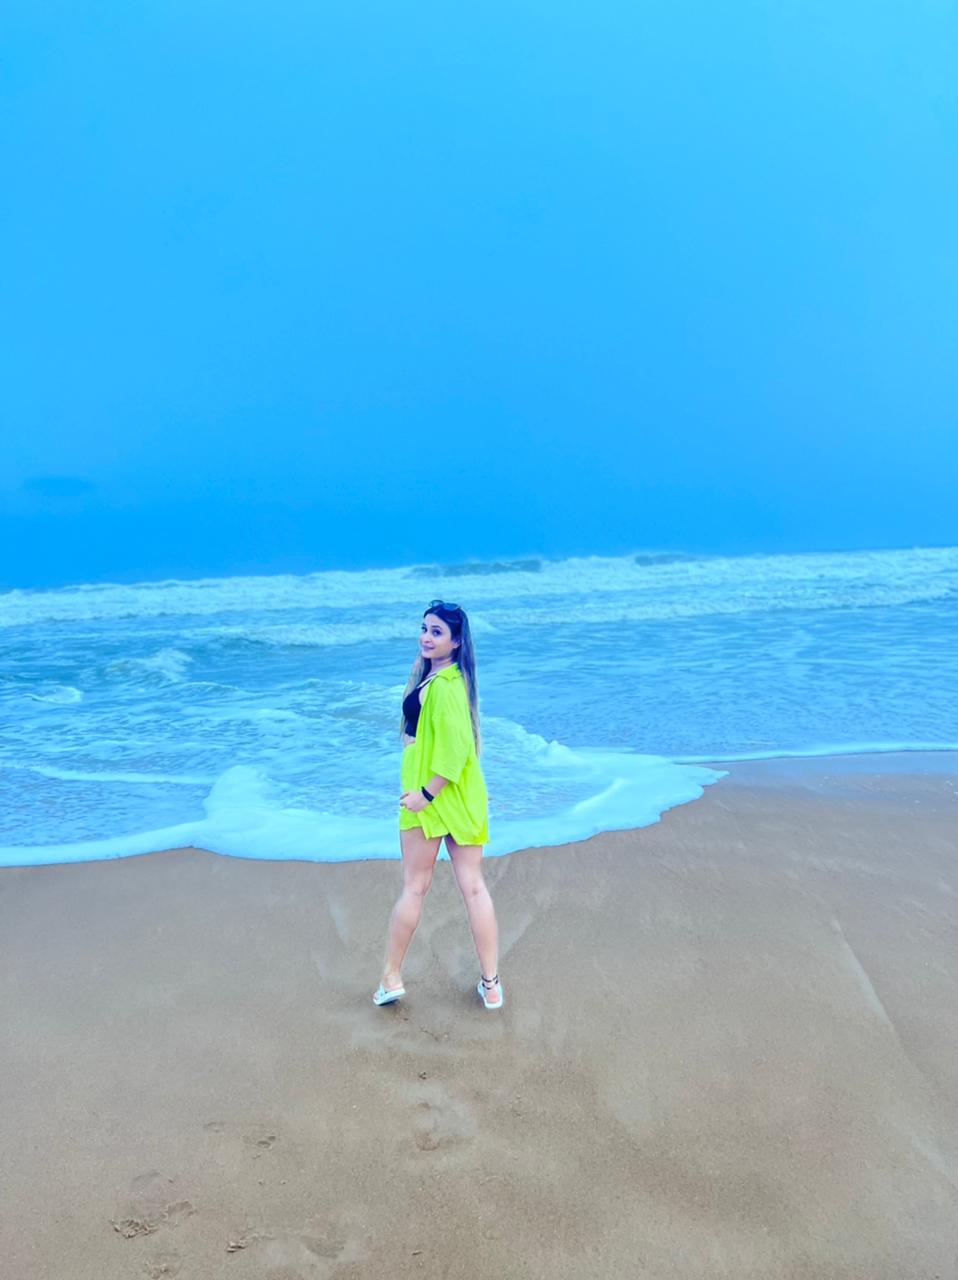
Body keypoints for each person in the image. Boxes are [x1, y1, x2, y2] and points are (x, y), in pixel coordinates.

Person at [373, 599, 503, 1010]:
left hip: (431, 797)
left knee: (417, 887)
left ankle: (391, 977)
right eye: (424, 629)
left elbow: (455, 752)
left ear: (456, 641)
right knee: (473, 888)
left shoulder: (446, 687)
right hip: (460, 797)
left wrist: (424, 795)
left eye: (436, 632)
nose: (426, 637)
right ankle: (491, 985)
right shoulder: (442, 678)